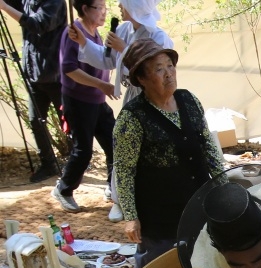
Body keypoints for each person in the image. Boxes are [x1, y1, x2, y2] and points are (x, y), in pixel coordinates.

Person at [114, 38, 224, 268]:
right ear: (141, 79)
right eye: (158, 69)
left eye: (170, 66)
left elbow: (208, 146)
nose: (168, 74)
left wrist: (224, 185)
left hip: (198, 205)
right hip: (159, 217)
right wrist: (130, 216)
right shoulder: (132, 118)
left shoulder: (188, 100)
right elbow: (124, 170)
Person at [68, 0, 173, 223]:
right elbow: (108, 60)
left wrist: (124, 50)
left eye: (123, 3)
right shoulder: (124, 29)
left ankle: (150, 197)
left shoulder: (158, 36)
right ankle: (120, 200)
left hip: (153, 97)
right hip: (132, 98)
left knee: (151, 147)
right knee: (125, 146)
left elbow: (154, 68)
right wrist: (84, 41)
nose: (118, 6)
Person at [51, 0, 116, 213]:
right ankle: (64, 189)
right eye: (99, 8)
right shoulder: (73, 32)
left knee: (114, 142)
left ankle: (112, 186)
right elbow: (69, 69)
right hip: (78, 100)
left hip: (98, 100)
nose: (104, 12)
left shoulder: (95, 32)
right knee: (84, 150)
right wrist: (101, 84)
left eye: (105, 7)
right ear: (86, 9)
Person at [0, 0, 66, 183]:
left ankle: (76, 163)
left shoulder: (55, 2)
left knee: (68, 121)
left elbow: (38, 24)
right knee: (35, 120)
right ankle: (49, 164)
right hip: (33, 72)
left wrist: (4, 8)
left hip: (55, 73)